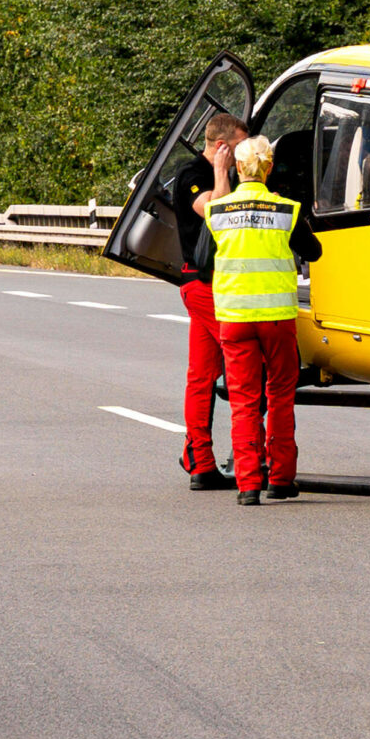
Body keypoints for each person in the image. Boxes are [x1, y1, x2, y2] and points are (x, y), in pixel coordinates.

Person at [195, 135, 319, 505]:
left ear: (236, 168)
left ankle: (248, 484)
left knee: (243, 400)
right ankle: (280, 479)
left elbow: (202, 262)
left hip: (234, 319)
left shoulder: (217, 211)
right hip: (278, 318)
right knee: (279, 395)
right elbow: (314, 251)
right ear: (269, 168)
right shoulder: (287, 210)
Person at [162, 112, 243, 489]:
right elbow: (219, 214)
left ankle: (200, 461)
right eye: (240, 146)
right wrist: (223, 173)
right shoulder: (193, 174)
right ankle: (248, 463)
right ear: (222, 146)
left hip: (216, 285)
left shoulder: (232, 173)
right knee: (244, 368)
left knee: (201, 376)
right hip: (205, 285)